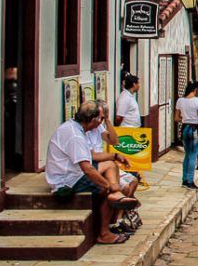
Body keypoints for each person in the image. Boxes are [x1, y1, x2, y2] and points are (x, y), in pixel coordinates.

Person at [46, 101, 139, 244]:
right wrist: (106, 186)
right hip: (68, 180)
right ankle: (104, 233)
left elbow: (112, 143)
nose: (100, 122)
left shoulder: (75, 128)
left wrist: (113, 157)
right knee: (108, 191)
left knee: (110, 165)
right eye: (100, 119)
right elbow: (87, 168)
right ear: (93, 120)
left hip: (73, 172)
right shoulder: (75, 136)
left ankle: (116, 193)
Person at [87, 101, 141, 233]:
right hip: (98, 166)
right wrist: (113, 156)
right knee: (123, 187)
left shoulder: (99, 127)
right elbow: (91, 156)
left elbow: (115, 141)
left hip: (107, 164)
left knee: (134, 180)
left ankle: (119, 218)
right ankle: (112, 223)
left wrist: (108, 121)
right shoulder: (85, 131)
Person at [175, 81, 198, 191]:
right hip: (195, 129)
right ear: (196, 89)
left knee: (187, 155)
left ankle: (184, 179)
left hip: (184, 128)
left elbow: (176, 118)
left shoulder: (180, 101)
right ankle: (190, 181)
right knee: (193, 155)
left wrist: (185, 118)